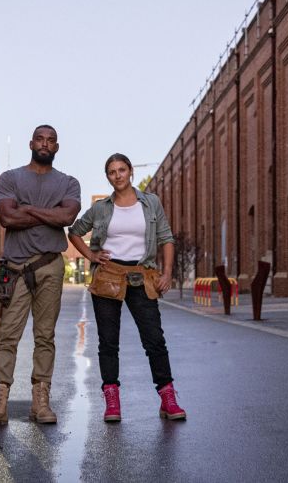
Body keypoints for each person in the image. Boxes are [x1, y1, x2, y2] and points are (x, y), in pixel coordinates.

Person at [68, 153, 186, 422]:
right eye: (112, 172)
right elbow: (74, 231)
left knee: (154, 339)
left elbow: (166, 238)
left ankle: (168, 397)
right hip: (109, 275)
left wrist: (166, 273)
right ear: (108, 176)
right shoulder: (101, 208)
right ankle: (112, 400)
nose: (117, 175)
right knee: (108, 342)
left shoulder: (150, 202)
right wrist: (91, 255)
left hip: (141, 276)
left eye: (122, 169)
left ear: (131, 171)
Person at [0, 125, 81, 428]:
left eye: (50, 140)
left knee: (44, 336)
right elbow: (7, 217)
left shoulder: (68, 182)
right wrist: (48, 212)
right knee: (7, 336)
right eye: (40, 139)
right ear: (31, 143)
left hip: (50, 266)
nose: (45, 144)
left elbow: (67, 217)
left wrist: (28, 209)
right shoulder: (10, 178)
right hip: (15, 268)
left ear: (56, 147)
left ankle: (41, 403)